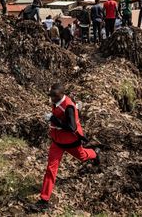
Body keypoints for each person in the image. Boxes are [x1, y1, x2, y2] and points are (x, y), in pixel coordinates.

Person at [35, 83, 100, 212]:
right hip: (57, 143)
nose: (51, 98)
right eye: (51, 95)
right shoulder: (57, 101)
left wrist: (53, 118)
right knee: (50, 169)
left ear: (60, 95)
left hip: (71, 142)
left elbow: (72, 127)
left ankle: (95, 154)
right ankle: (44, 200)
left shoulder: (68, 107)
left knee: (82, 156)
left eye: (53, 96)